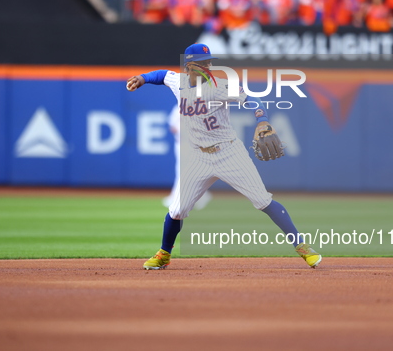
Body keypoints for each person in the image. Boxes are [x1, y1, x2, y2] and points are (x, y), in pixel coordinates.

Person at [126, 43, 322, 270]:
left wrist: (262, 119)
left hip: (229, 152)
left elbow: (252, 100)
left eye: (209, 62)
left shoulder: (221, 86)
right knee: (177, 210)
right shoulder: (177, 81)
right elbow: (161, 75)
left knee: (263, 201)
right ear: (189, 67)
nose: (208, 67)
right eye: (202, 64)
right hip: (198, 157)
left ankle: (302, 247)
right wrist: (142, 78)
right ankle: (164, 254)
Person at [163, 104, 212, 210]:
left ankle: (188, 197)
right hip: (180, 143)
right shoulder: (178, 107)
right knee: (182, 170)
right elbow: (172, 126)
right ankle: (200, 196)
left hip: (193, 144)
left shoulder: (199, 107)